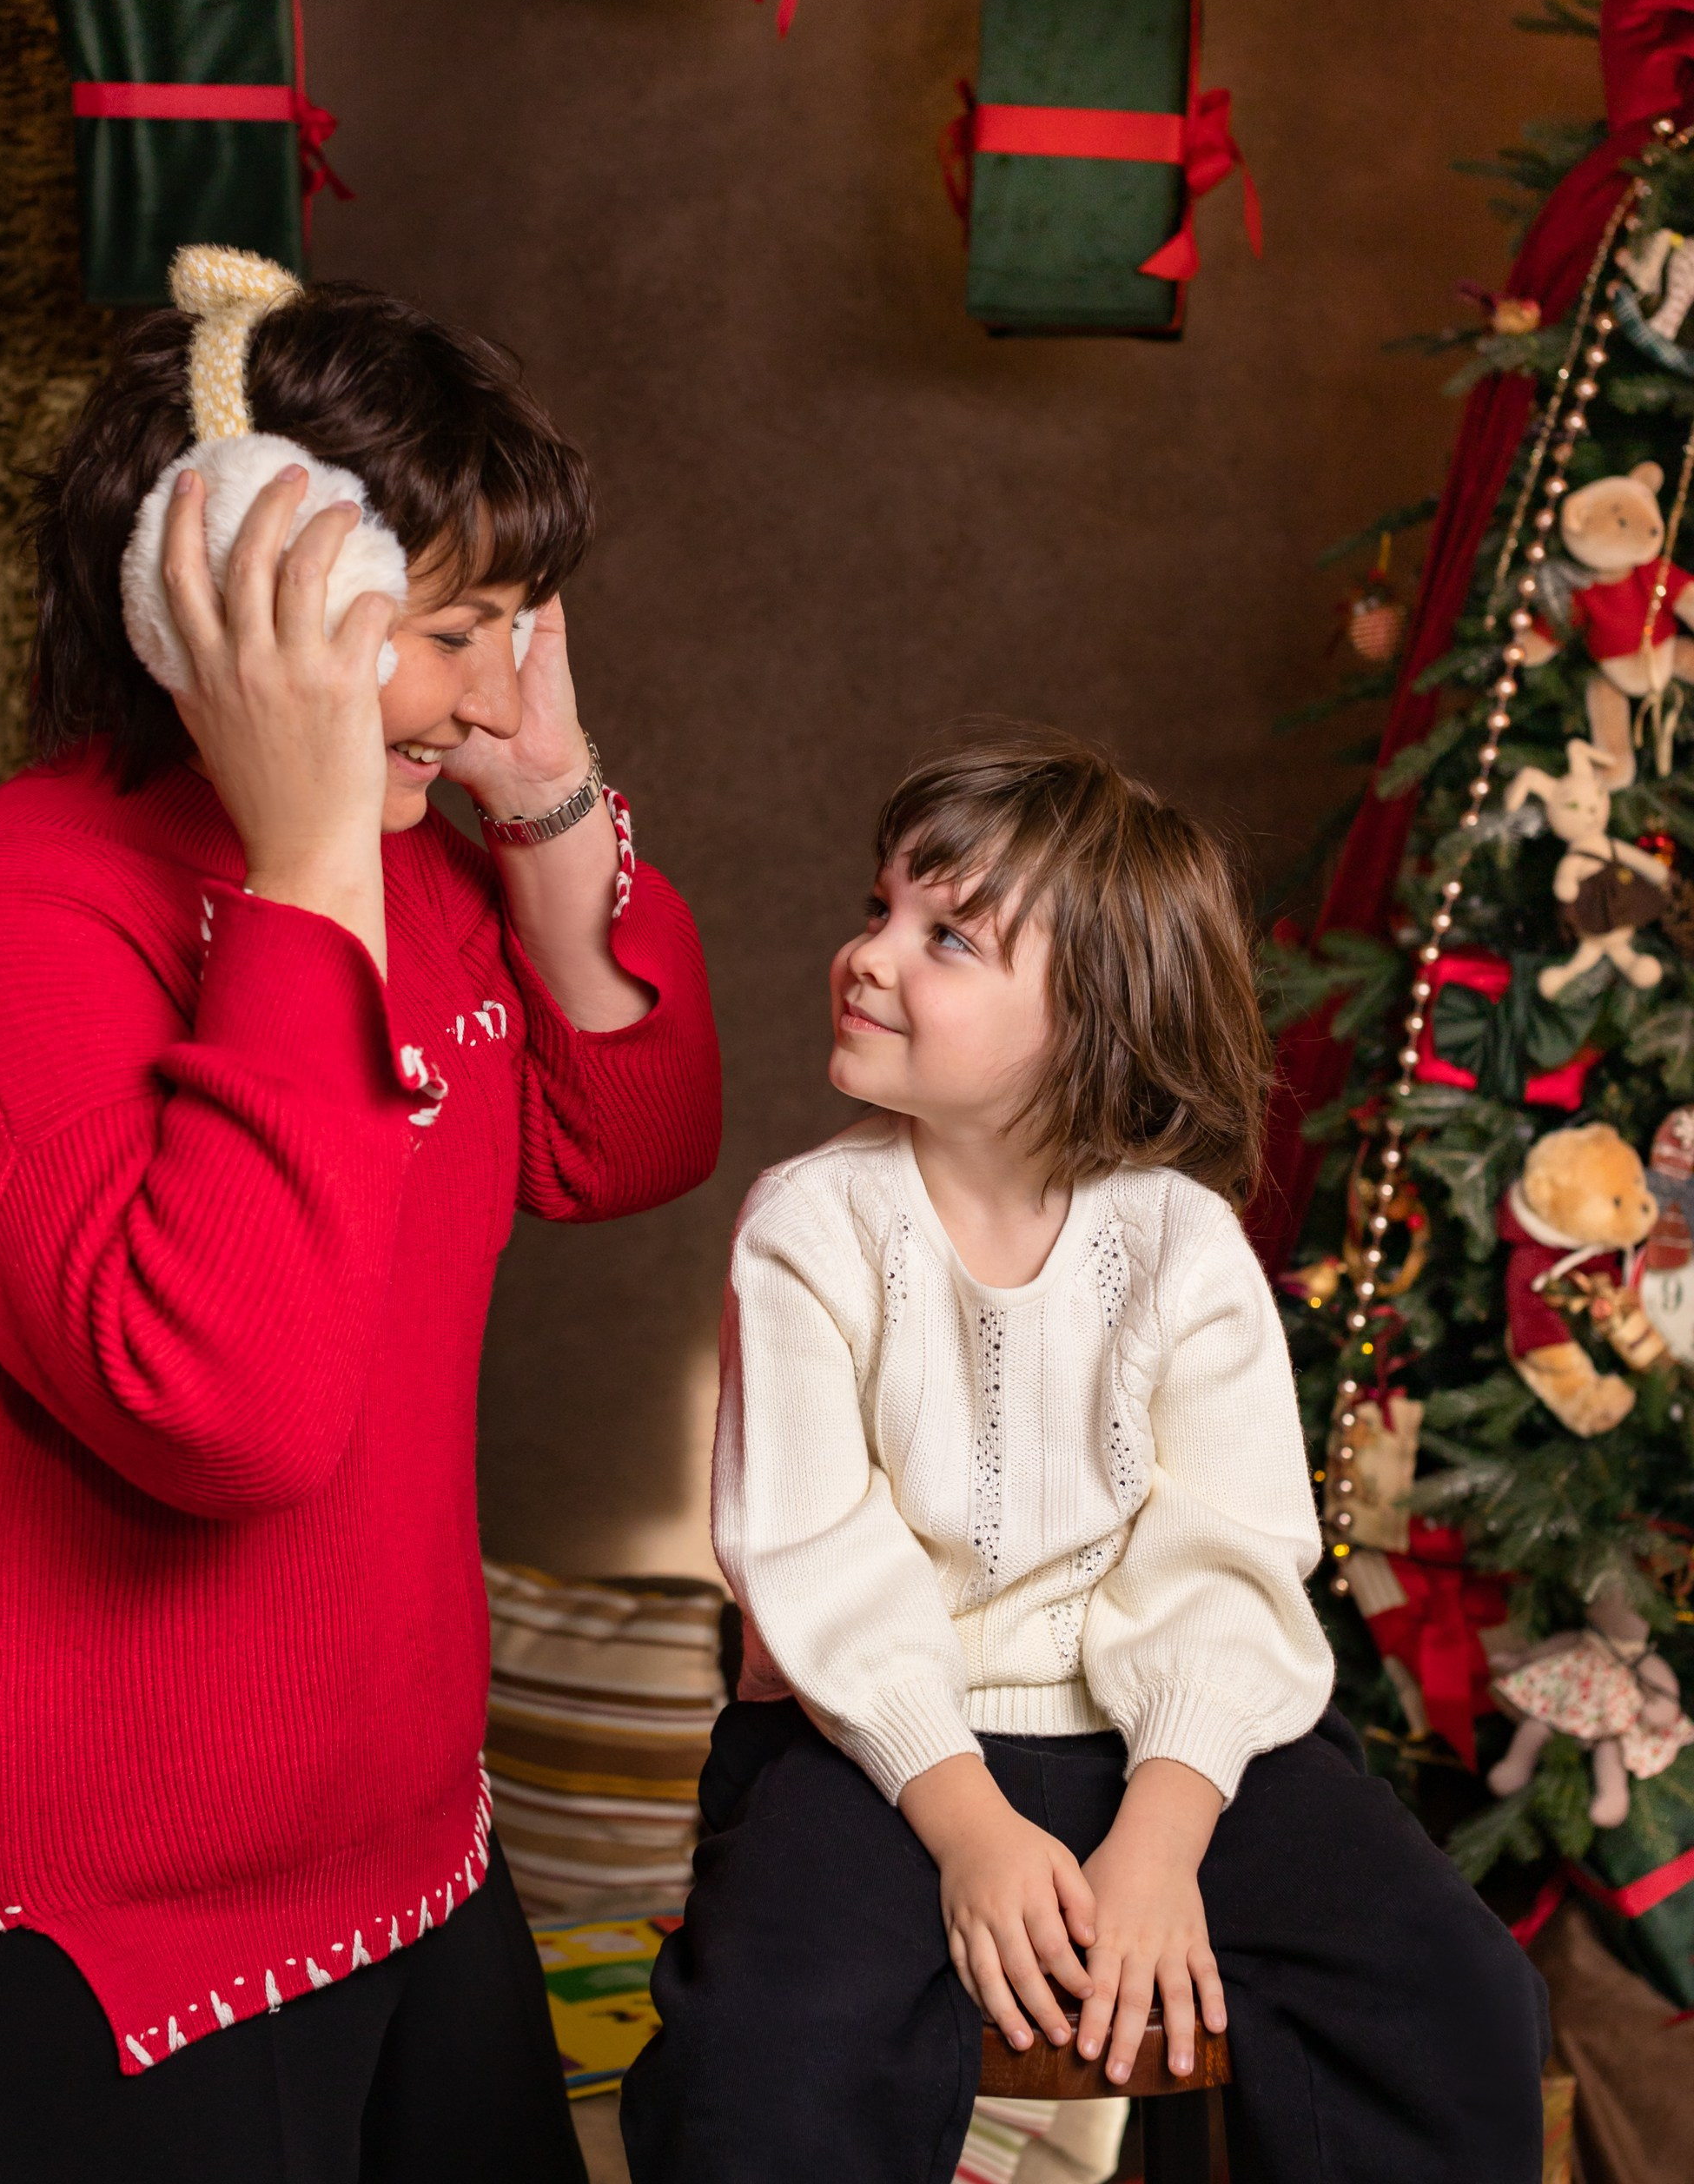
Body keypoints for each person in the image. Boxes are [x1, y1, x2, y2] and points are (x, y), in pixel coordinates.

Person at [0, 250, 720, 2182]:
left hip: (417, 1855)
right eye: (449, 633)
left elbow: (625, 1141)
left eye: (515, 631)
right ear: (209, 595)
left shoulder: (425, 867)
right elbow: (233, 1409)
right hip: (119, 1943)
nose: (484, 697)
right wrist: (304, 870)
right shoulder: (15, 916)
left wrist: (550, 806)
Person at [621, 731, 1548, 2184]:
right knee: (762, 2056)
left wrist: (1167, 1834)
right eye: (880, 910)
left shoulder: (1182, 1244)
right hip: (879, 1749)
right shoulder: (808, 1228)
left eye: (946, 938)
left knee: (1458, 1999)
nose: (870, 957)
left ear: (1089, 1019)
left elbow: (1227, 1559)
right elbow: (813, 1561)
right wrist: (971, 1829)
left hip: (1167, 1741)